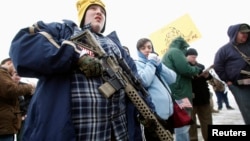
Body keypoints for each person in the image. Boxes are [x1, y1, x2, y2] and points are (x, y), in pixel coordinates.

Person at [9, 0, 148, 140]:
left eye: (103, 11)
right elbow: (23, 46)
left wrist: (149, 113)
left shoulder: (116, 46)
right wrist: (76, 55)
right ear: (82, 14)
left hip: (119, 134)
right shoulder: (64, 31)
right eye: (93, 8)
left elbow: (136, 82)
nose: (99, 12)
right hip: (72, 131)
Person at [134, 38, 176, 140]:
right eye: (143, 48)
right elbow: (144, 81)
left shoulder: (156, 64)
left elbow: (172, 78)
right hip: (154, 115)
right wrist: (151, 63)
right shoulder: (137, 64)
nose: (147, 50)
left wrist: (160, 66)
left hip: (169, 114)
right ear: (138, 51)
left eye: (149, 47)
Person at [161, 37, 202, 141]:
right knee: (183, 124)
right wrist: (197, 69)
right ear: (182, 46)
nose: (185, 51)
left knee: (181, 122)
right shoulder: (176, 52)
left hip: (175, 91)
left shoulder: (169, 52)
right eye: (185, 48)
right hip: (181, 93)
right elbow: (185, 69)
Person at [213, 23, 250, 124]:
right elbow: (218, 66)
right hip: (238, 85)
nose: (245, 35)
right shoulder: (224, 50)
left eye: (247, 33)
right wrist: (227, 80)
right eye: (242, 33)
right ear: (235, 33)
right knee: (247, 110)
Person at [0, 58, 33, 141]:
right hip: (4, 126)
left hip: (8, 125)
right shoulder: (2, 74)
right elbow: (10, 90)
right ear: (9, 63)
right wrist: (30, 87)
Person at [185, 48, 213, 141]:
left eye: (195, 57)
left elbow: (209, 78)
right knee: (191, 122)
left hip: (203, 98)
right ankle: (193, 139)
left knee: (207, 121)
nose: (194, 59)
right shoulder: (183, 68)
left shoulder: (201, 66)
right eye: (192, 57)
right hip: (189, 99)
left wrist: (207, 75)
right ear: (186, 57)